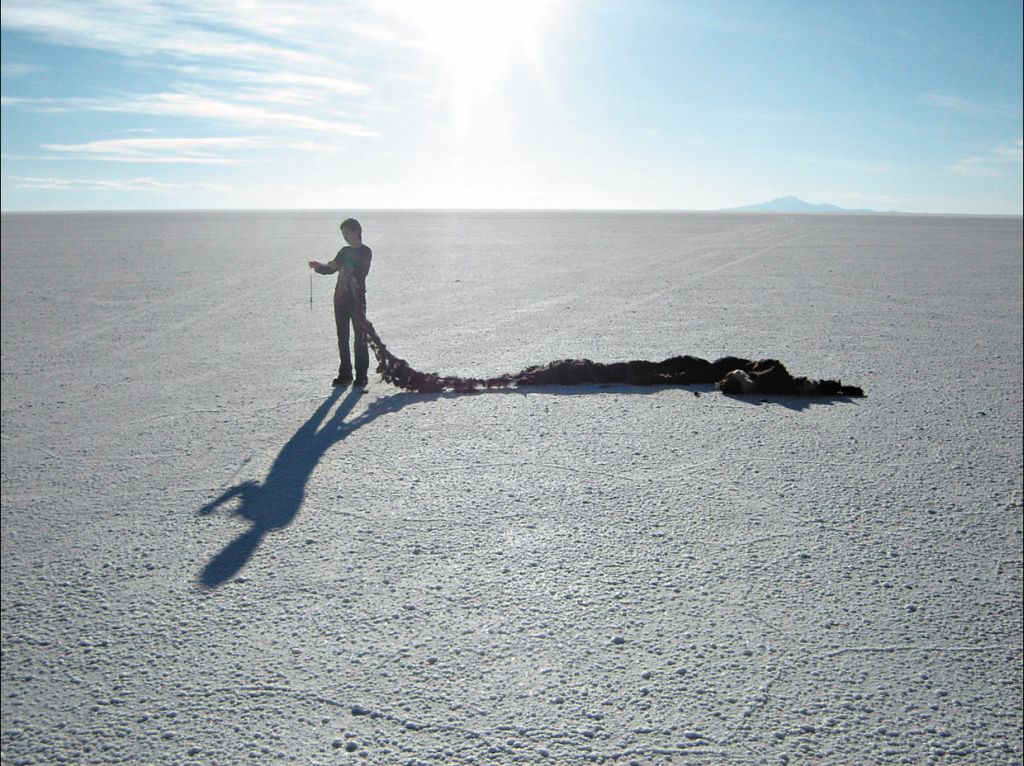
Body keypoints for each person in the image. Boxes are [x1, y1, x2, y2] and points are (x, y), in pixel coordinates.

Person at [308, 218, 373, 387]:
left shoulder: (365, 252)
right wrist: (319, 266)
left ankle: (361, 375)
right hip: (340, 299)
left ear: (357, 231)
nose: (345, 236)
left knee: (359, 338)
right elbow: (331, 269)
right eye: (342, 234)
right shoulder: (343, 251)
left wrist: (339, 263)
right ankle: (345, 374)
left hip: (357, 300)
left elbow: (360, 271)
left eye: (347, 233)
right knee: (342, 338)